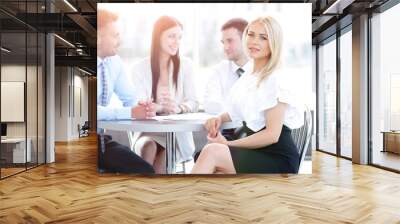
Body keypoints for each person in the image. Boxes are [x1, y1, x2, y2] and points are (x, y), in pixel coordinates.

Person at [191, 16, 304, 174]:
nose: (254, 41)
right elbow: (238, 110)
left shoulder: (275, 79)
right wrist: (219, 119)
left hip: (277, 158)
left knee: (212, 152)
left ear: (273, 44)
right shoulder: (251, 74)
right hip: (258, 152)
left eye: (263, 37)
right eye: (251, 35)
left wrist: (228, 145)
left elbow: (272, 135)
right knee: (214, 168)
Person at [131, 16, 199, 174]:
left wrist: (179, 108)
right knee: (148, 146)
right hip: (146, 131)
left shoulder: (186, 66)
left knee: (164, 157)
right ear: (158, 37)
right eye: (171, 36)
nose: (177, 42)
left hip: (175, 135)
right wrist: (162, 106)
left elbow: (194, 101)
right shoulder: (139, 68)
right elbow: (139, 104)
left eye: (179, 37)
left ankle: (154, 195)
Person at [97, 9, 156, 173]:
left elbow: (130, 98)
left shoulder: (114, 62)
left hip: (101, 141)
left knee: (145, 170)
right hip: (84, 141)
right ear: (98, 37)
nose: (120, 40)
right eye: (115, 35)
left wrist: (143, 106)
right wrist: (130, 111)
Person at [203, 18, 252, 115]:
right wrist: (240, 111)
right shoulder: (219, 71)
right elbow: (210, 104)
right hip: (225, 128)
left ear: (246, 40)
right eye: (223, 42)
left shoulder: (262, 70)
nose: (225, 47)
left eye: (230, 41)